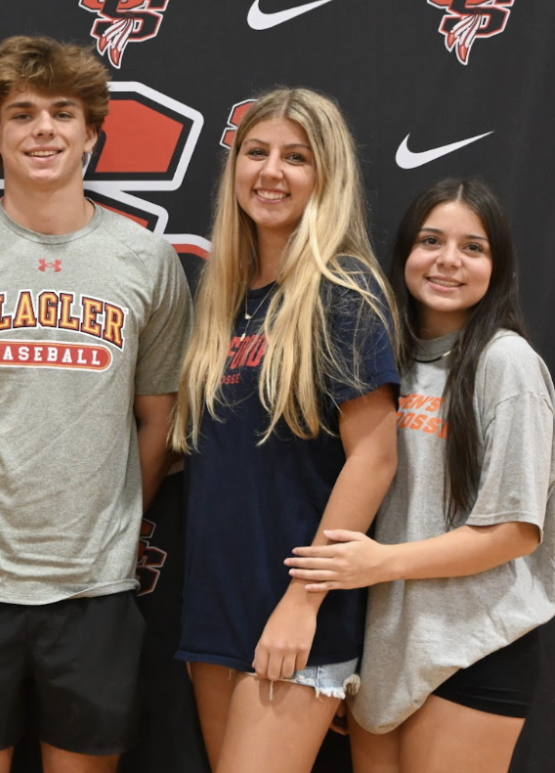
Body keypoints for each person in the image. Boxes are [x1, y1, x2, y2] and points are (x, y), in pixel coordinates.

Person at [0, 35, 192, 773]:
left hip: (93, 585)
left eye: (64, 112)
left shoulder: (146, 261)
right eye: (22, 114)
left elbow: (159, 421)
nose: (44, 129)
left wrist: (116, 519)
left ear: (94, 132)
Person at [287, 178, 555, 773]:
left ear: (499, 265)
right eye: (431, 240)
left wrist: (379, 564)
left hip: (475, 647)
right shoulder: (385, 364)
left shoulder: (506, 363)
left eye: (473, 247)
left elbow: (516, 530)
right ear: (405, 252)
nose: (448, 261)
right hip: (387, 645)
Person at [170, 87, 400, 773]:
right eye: (257, 152)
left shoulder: (344, 291)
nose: (272, 172)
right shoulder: (225, 300)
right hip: (218, 602)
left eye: (296, 158)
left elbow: (376, 457)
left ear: (326, 177)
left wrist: (303, 604)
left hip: (298, 609)